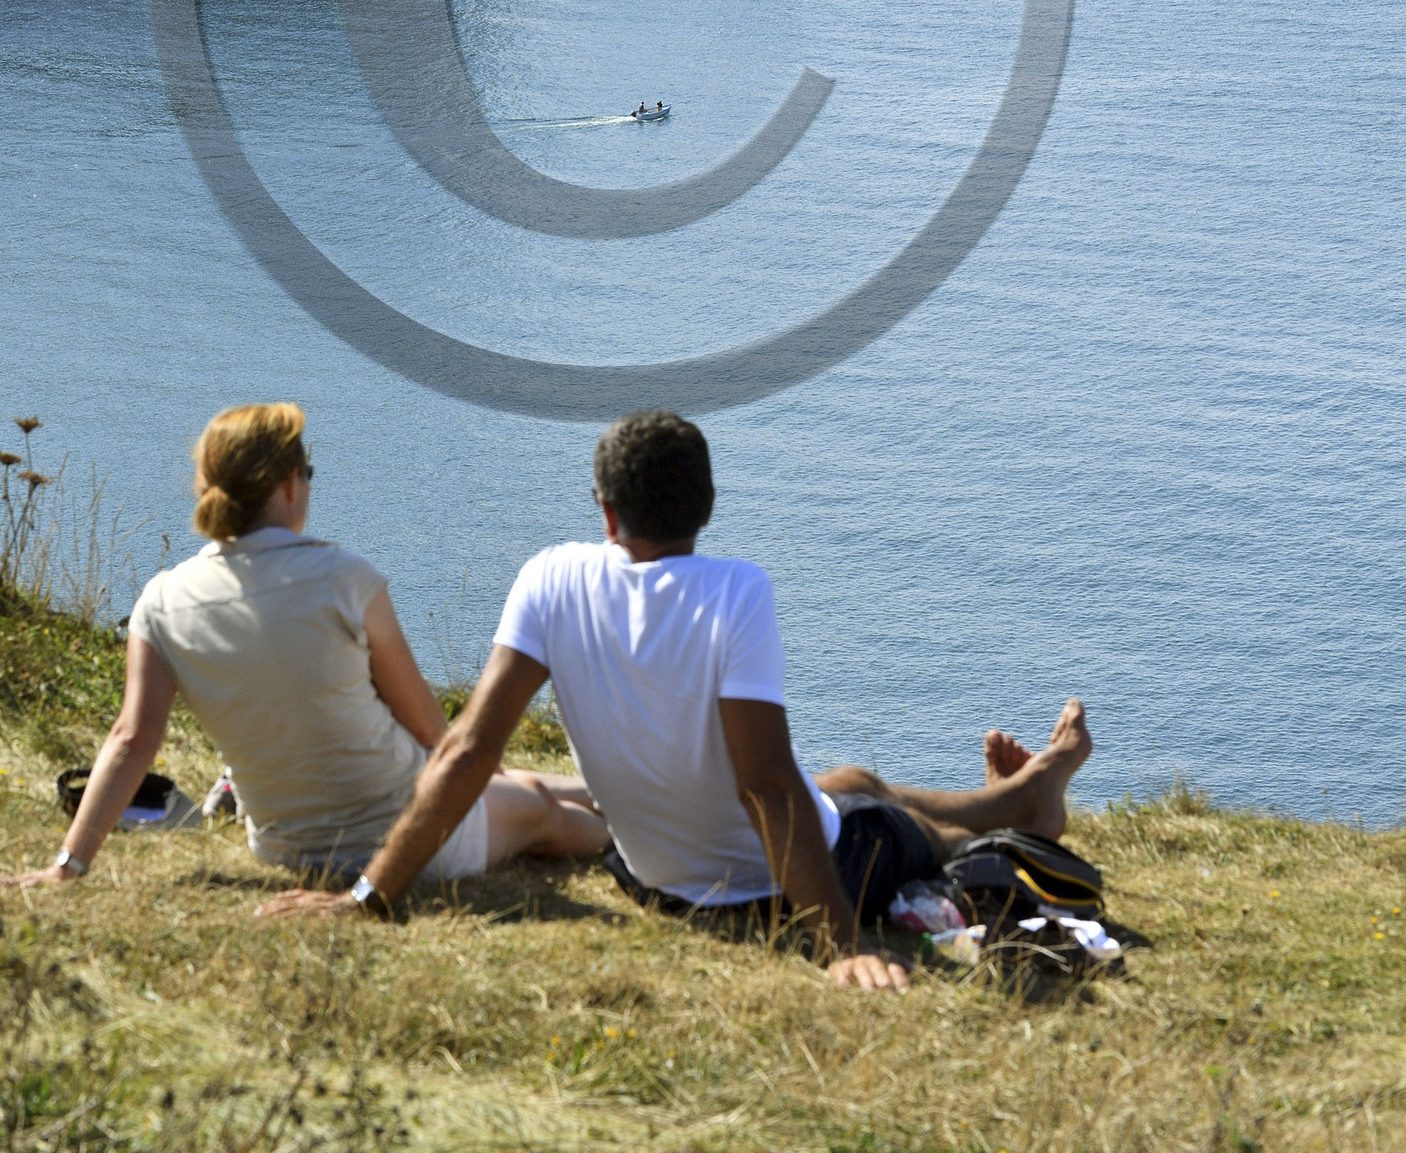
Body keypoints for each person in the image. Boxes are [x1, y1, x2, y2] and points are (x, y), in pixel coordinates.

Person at [258, 409, 1093, 993]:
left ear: (606, 510)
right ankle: (1020, 805)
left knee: (847, 778)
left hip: (653, 877)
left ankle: (1014, 795)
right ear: (709, 506)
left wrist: (368, 898)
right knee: (893, 828)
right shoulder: (736, 592)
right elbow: (764, 786)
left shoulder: (551, 578)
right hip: (769, 890)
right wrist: (838, 946)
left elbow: (470, 750)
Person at [0, 402, 606, 895]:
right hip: (411, 837)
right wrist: (480, 774)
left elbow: (130, 740)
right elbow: (428, 729)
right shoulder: (345, 580)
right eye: (307, 473)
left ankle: (620, 796)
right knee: (540, 808)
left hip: (284, 845)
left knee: (514, 784)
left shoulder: (161, 601)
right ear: (286, 484)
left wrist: (68, 865)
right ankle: (662, 835)